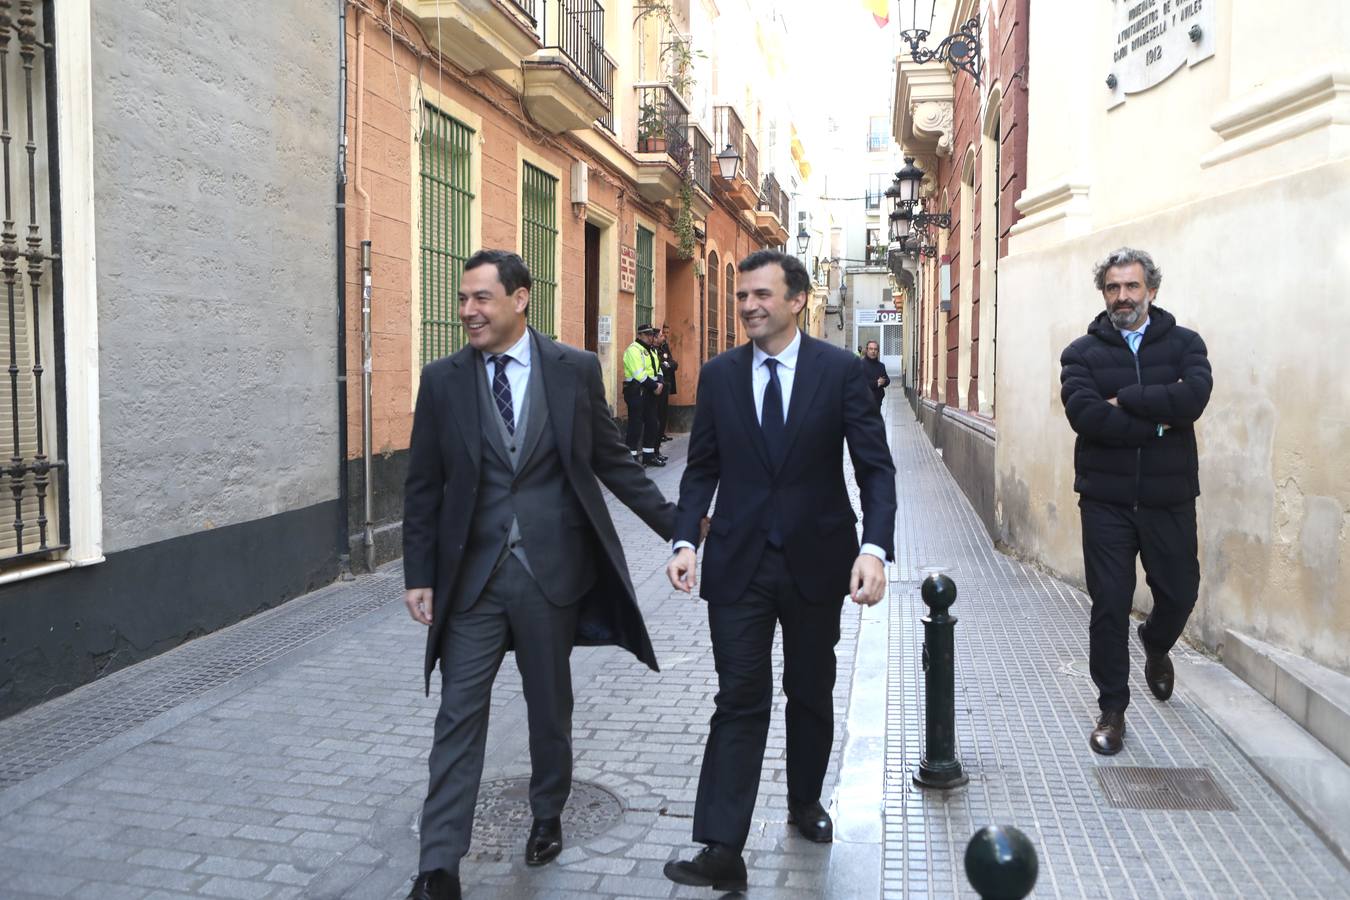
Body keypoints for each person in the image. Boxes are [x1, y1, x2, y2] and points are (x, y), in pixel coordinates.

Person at [402, 250, 676, 900]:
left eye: (482, 298)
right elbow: (422, 485)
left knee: (549, 709)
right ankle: (438, 866)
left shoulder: (574, 371)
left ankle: (548, 811)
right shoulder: (442, 381)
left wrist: (678, 526)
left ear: (520, 299)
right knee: (457, 716)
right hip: (471, 581)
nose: (468, 310)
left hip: (550, 575)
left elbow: (613, 461)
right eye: (463, 298)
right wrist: (419, 574)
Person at [662, 250, 897, 891]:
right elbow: (702, 466)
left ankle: (803, 801)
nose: (748, 307)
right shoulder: (718, 376)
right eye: (742, 297)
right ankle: (721, 846)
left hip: (817, 561)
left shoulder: (841, 372)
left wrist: (873, 550)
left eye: (761, 295)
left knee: (810, 689)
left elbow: (875, 469)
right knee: (739, 696)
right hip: (737, 563)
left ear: (797, 301)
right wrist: (685, 539)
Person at [1059, 246, 1212, 756]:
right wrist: (1162, 422)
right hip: (1106, 501)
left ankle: (1157, 642)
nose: (1122, 296)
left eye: (1131, 286)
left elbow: (1194, 398)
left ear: (1151, 290)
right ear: (1103, 294)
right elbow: (1086, 416)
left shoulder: (1186, 343)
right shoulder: (1081, 353)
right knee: (1109, 604)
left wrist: (1125, 399)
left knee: (1181, 592)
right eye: (1113, 288)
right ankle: (1112, 709)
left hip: (1169, 498)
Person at [622, 324, 665, 466]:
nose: (650, 337)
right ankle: (631, 458)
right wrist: (655, 386)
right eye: (647, 335)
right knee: (636, 425)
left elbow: (658, 369)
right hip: (636, 391)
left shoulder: (651, 350)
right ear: (639, 335)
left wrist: (660, 383)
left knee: (653, 423)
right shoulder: (633, 350)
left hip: (650, 392)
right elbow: (638, 374)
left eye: (651, 334)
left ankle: (649, 455)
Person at [656, 323, 679, 441]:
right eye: (663, 334)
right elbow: (662, 366)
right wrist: (668, 365)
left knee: (664, 410)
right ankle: (659, 435)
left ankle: (662, 433)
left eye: (667, 333)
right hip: (659, 383)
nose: (665, 336)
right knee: (659, 410)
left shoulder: (665, 346)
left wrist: (668, 364)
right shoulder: (656, 349)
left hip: (666, 382)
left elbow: (674, 363)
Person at [859, 339, 890, 411]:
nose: (873, 351)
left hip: (878, 402)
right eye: (871, 349)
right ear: (867, 350)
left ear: (878, 351)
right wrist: (877, 383)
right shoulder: (860, 365)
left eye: (875, 349)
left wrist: (884, 382)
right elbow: (860, 384)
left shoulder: (881, 366)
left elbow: (887, 380)